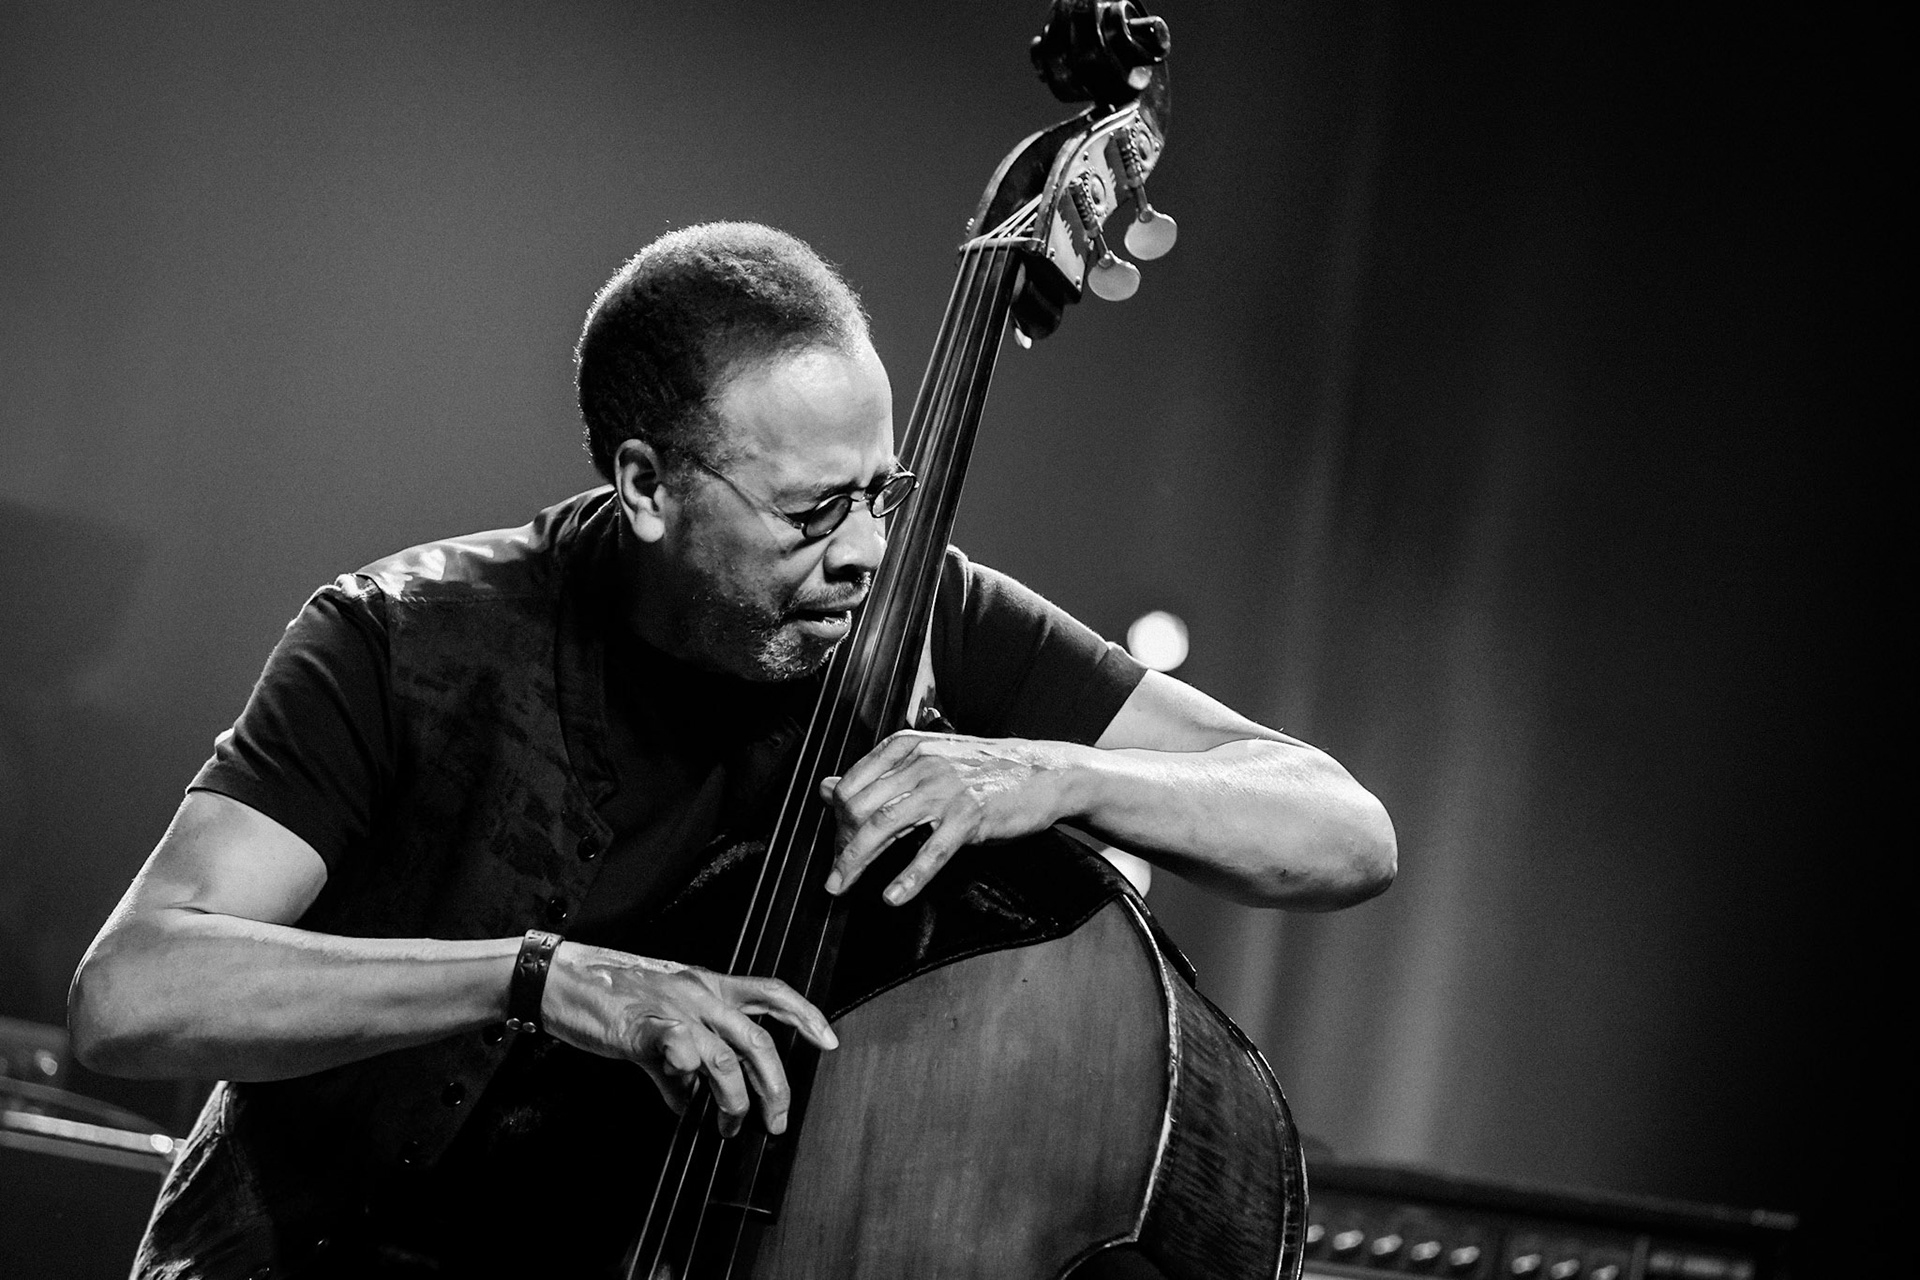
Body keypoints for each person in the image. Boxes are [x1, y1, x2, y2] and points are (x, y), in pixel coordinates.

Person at [69, 222, 1395, 1277]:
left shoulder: (924, 611)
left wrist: (1046, 771)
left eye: (888, 494)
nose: (869, 551)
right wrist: (541, 981)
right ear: (647, 485)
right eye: (814, 512)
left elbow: (1339, 829)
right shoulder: (404, 638)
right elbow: (133, 992)